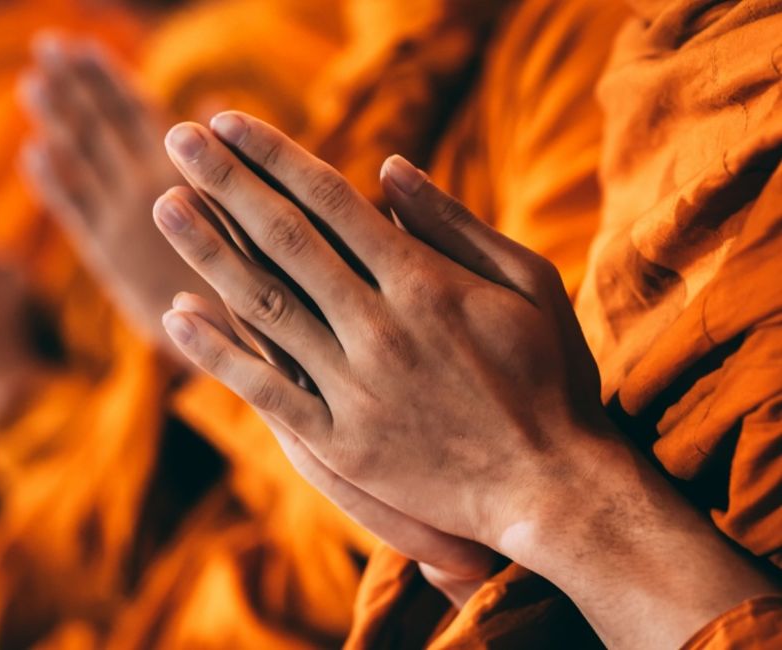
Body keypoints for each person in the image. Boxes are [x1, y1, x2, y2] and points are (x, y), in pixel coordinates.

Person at [147, 2, 782, 648]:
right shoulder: (628, 48)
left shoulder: (569, 40)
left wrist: (547, 489)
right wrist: (472, 569)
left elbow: (505, 451)